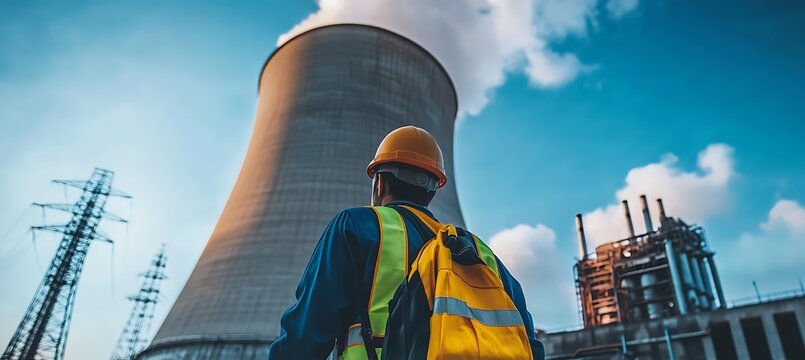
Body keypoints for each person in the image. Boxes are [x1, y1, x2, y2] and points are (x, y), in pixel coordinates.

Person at [268, 126, 544, 359]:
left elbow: (308, 332)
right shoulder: (480, 252)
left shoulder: (357, 226)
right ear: (433, 190)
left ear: (380, 184)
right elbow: (529, 343)